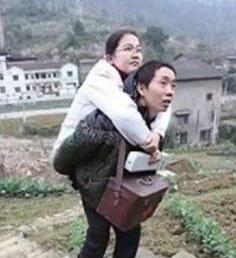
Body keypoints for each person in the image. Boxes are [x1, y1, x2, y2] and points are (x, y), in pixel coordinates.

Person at [54, 61, 176, 258]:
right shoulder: (103, 121)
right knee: (99, 234)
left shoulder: (153, 123)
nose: (170, 91)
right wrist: (81, 180)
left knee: (130, 227)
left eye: (173, 85)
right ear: (142, 88)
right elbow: (64, 157)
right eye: (163, 83)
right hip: (95, 187)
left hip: (127, 188)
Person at [52, 29, 172, 160]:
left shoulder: (134, 81)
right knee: (115, 119)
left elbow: (162, 101)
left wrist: (157, 133)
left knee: (146, 101)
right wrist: (149, 144)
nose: (135, 55)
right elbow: (124, 115)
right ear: (110, 58)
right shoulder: (99, 79)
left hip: (95, 147)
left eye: (138, 50)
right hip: (66, 152)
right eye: (128, 49)